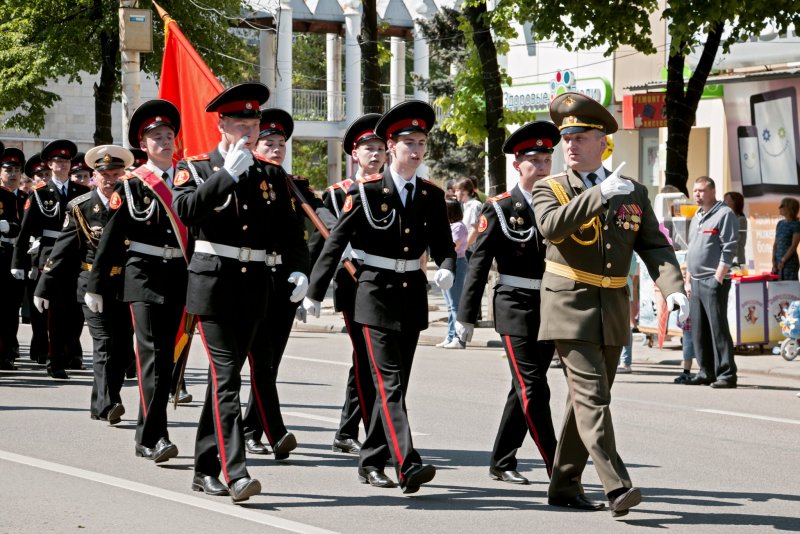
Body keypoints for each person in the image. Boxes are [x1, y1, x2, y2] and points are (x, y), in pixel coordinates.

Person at [532, 92, 687, 517]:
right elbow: (552, 228)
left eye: (581, 137)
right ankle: (617, 486)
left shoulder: (632, 191)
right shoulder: (550, 188)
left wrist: (673, 287)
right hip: (568, 306)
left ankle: (563, 484)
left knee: (582, 403)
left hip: (613, 307)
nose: (571, 146)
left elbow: (655, 245)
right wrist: (598, 194)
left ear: (604, 142)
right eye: (566, 139)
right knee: (594, 398)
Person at [303, 100, 456, 494]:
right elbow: (336, 241)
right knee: (387, 383)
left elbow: (443, 245)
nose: (417, 150)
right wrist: (316, 291)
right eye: (409, 142)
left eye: (422, 142)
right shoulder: (368, 191)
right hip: (373, 295)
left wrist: (447, 266)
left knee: (396, 385)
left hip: (412, 297)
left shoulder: (430, 195)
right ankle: (407, 462)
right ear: (391, 146)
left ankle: (371, 460)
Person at [173, 82, 308, 503]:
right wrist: (226, 176)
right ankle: (236, 473)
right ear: (222, 124)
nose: (249, 133)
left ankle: (204, 468)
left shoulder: (270, 175)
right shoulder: (197, 168)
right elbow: (186, 210)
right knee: (227, 376)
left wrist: (301, 271)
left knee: (223, 380)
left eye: (254, 124)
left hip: (255, 287)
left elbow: (291, 233)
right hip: (212, 284)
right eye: (241, 124)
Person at [457, 120, 561, 486]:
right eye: (536, 161)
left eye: (548, 160)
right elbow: (479, 263)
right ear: (518, 164)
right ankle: (559, 467)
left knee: (525, 386)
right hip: (514, 303)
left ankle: (502, 459)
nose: (544, 168)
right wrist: (465, 316)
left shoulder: (560, 203)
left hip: (550, 303)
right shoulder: (499, 207)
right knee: (534, 386)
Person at [86, 99, 187, 463]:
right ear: (143, 145)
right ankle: (155, 436)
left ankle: (148, 434)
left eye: (169, 135)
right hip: (143, 276)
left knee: (170, 360)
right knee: (153, 358)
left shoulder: (188, 179)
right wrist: (96, 285)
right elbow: (111, 239)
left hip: (182, 276)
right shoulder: (130, 186)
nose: (164, 141)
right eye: (156, 137)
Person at [34, 145, 134, 424]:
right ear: (94, 175)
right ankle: (109, 402)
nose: (111, 179)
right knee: (103, 344)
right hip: (91, 284)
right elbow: (63, 249)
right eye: (105, 174)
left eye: (116, 173)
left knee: (123, 347)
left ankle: (102, 401)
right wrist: (44, 286)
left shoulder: (132, 202)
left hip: (125, 283)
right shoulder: (81, 207)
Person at [240, 107, 319, 459]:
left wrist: (305, 274)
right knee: (252, 361)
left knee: (269, 362)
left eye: (281, 143)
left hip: (283, 283)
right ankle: (251, 430)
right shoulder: (241, 179)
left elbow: (304, 234)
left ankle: (251, 428)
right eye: (268, 141)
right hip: (249, 280)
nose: (275, 148)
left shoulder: (294, 186)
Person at [307, 113, 387, 456]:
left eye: (381, 148)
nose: (376, 154)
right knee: (367, 358)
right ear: (354, 153)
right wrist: (310, 288)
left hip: (384, 282)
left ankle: (346, 430)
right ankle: (372, 435)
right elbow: (321, 242)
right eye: (369, 148)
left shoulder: (390, 188)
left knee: (365, 361)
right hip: (353, 283)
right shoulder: (338, 195)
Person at [12, 139, 90, 379]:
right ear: (50, 165)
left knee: (76, 311)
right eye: (58, 161)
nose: (63, 165)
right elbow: (25, 231)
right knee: (54, 312)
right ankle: (54, 360)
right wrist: (18, 263)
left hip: (76, 255)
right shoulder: (39, 194)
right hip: (50, 256)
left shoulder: (83, 192)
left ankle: (71, 353)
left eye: (66, 161)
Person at [685, 176, 738, 389]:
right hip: (696, 280)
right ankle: (705, 371)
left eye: (701, 190)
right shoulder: (697, 216)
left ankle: (726, 374)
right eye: (695, 190)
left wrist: (718, 277)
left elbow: (729, 247)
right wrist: (688, 280)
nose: (697, 194)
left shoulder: (724, 214)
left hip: (713, 279)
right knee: (699, 329)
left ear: (713, 191)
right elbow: (692, 251)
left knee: (718, 328)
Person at [0, 146, 24, 370]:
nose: (13, 174)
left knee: (9, 309)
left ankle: (7, 352)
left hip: (11, 256)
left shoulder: (15, 197)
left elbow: (20, 227)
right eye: (8, 169)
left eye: (17, 169)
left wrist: (9, 227)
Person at [437, 199, 468, 349]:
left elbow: (453, 246)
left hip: (457, 264)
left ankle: (458, 338)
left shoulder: (458, 227)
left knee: (455, 304)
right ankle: (450, 336)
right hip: (447, 265)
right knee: (450, 305)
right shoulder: (448, 226)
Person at [617, 256, 639, 373]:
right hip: (618, 291)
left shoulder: (630, 251)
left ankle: (625, 362)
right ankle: (621, 361)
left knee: (625, 327)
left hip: (623, 291)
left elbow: (632, 275)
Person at [772, 197, 800, 281]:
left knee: (789, 290)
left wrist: (783, 261)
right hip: (777, 262)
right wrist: (773, 261)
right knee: (777, 290)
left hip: (789, 262)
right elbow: (775, 244)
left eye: (782, 206)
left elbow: (794, 245)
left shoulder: (796, 225)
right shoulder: (780, 223)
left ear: (789, 208)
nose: (779, 208)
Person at [454, 176, 482, 256]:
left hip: (472, 251)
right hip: (466, 250)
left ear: (465, 191)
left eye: (457, 190)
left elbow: (475, 230)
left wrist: (463, 248)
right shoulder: (464, 205)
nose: (455, 193)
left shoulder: (475, 205)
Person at [723, 191, 747, 268]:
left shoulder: (741, 219)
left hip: (736, 260)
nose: (723, 202)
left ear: (734, 202)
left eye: (726, 199)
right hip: (727, 259)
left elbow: (733, 239)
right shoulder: (728, 218)